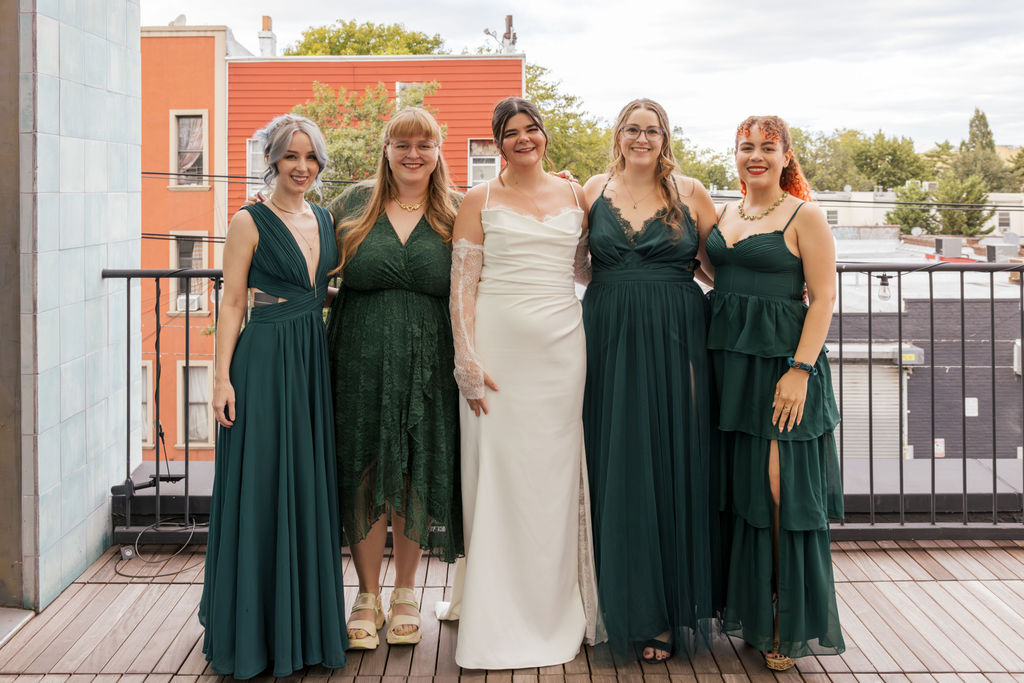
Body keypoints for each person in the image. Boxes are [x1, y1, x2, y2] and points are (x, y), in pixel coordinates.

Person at [441, 96, 602, 669]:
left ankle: (556, 606)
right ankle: (496, 612)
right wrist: (467, 357)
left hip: (563, 352)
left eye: (531, 129)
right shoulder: (478, 199)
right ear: (496, 143)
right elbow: (463, 283)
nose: (523, 138)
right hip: (499, 352)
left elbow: (585, 267)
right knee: (500, 475)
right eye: (511, 132)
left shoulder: (575, 195)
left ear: (545, 136)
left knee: (554, 482)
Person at [201, 113, 348, 678]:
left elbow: (318, 289)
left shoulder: (324, 216)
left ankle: (304, 630)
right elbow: (233, 301)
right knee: (262, 485)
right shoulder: (248, 219)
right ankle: (255, 634)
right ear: (273, 160)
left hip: (310, 360)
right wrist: (220, 378)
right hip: (262, 362)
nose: (303, 167)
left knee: (306, 484)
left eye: (311, 158)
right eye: (292, 156)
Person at [580, 98, 717, 662]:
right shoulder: (588, 189)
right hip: (606, 334)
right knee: (612, 461)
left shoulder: (692, 192)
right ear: (619, 135)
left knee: (668, 461)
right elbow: (566, 259)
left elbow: (718, 266)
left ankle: (661, 613)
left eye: (652, 130)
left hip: (676, 336)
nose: (642, 138)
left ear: (665, 137)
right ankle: (611, 605)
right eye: (633, 129)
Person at [706, 115, 845, 670]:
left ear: (787, 156)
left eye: (768, 147)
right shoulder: (724, 212)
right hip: (729, 366)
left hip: (784, 368)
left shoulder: (804, 214)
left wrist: (800, 370)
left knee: (780, 488)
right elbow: (712, 273)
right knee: (743, 490)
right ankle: (751, 610)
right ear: (735, 155)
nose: (755, 155)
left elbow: (826, 296)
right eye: (746, 147)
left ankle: (788, 620)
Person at [325, 107, 463, 650]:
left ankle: (406, 591)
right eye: (402, 143)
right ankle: (366, 594)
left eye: (424, 144)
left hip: (432, 360)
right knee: (362, 464)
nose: (413, 154)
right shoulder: (351, 205)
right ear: (386, 149)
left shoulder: (456, 209)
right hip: (358, 355)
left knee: (413, 467)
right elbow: (305, 254)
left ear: (437, 151)